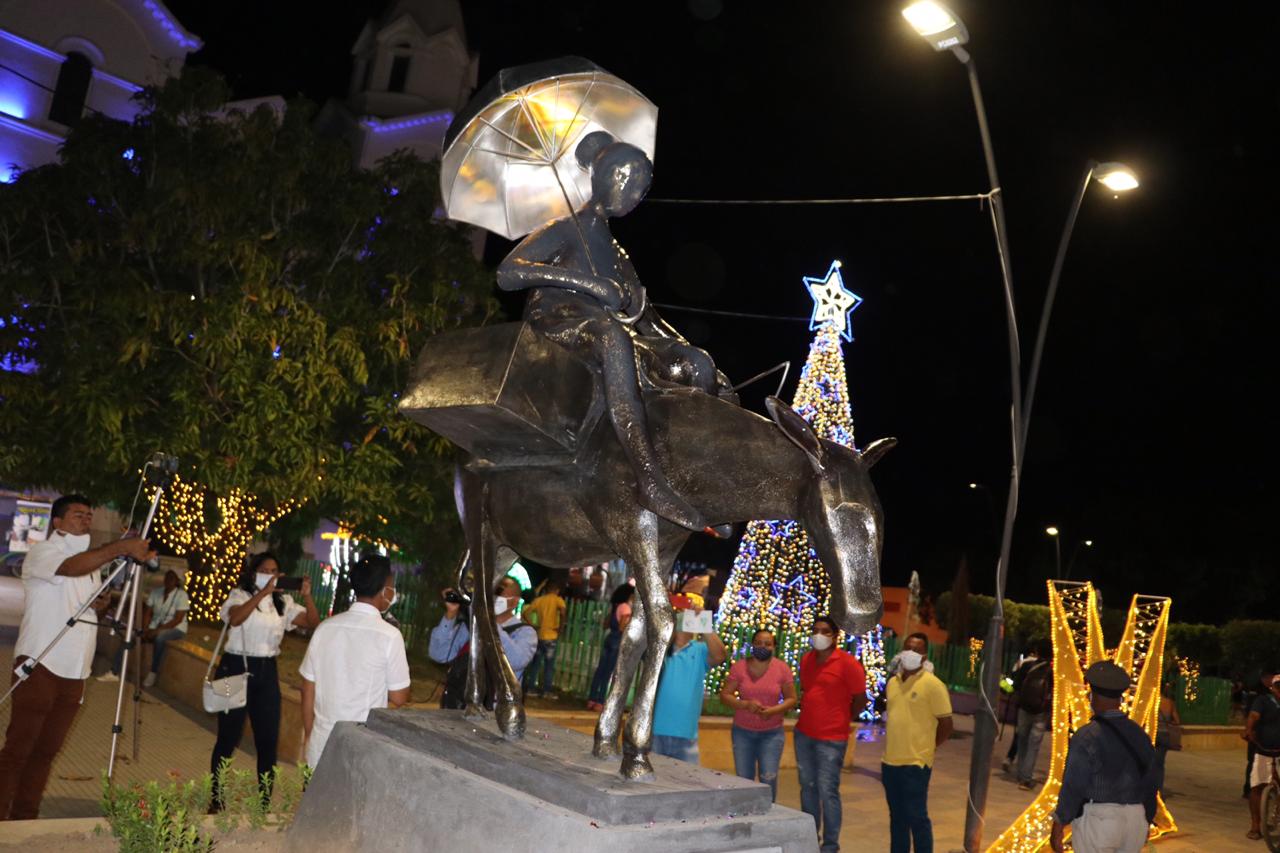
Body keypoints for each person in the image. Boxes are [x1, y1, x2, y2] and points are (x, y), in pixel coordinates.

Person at [496, 130, 734, 533]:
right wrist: (587, 284)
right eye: (632, 180)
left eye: (643, 187)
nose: (637, 193)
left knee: (694, 364)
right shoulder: (567, 227)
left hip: (609, 328)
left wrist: (687, 350)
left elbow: (649, 319)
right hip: (562, 322)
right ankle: (648, 478)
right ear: (607, 177)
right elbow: (508, 273)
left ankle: (697, 484)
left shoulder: (617, 251)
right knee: (613, 336)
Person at [0, 495, 153, 821]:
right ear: (57, 522)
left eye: (88, 514)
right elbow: (68, 570)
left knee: (46, 752)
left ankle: (24, 817)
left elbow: (85, 596)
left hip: (75, 670)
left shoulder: (91, 561)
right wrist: (120, 547)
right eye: (78, 514)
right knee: (18, 750)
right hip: (40, 662)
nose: (85, 519)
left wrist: (100, 603)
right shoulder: (44, 551)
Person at [209, 551, 320, 810]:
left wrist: (307, 595)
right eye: (265, 570)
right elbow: (235, 619)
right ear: (253, 572)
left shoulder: (284, 602)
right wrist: (262, 593)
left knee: (268, 739)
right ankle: (216, 797)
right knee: (228, 736)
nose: (270, 575)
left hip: (266, 670)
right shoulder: (240, 594)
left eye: (275, 571)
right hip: (233, 666)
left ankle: (264, 801)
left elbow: (312, 622)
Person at [299, 555, 410, 768]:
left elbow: (307, 688)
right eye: (392, 586)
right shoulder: (389, 636)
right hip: (361, 749)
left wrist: (309, 735)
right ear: (384, 590)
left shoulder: (325, 629)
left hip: (321, 742)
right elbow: (399, 697)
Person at [1050, 662, 1159, 853]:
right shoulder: (1139, 734)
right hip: (1135, 820)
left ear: (1093, 696)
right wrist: (1147, 817)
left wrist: (1060, 822)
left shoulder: (1086, 736)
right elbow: (1153, 779)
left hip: (1100, 821)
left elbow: (1074, 784)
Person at [795, 615, 868, 853]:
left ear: (835, 636)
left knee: (827, 791)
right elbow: (807, 690)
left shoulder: (848, 664)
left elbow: (860, 699)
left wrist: (842, 719)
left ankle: (830, 845)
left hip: (831, 739)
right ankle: (809, 839)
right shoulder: (806, 660)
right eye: (815, 630)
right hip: (804, 734)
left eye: (825, 631)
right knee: (808, 788)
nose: (819, 635)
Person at [882, 631, 953, 853]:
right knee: (897, 818)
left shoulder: (933, 685)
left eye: (917, 649)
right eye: (908, 648)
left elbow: (946, 724)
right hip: (890, 761)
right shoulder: (892, 683)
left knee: (917, 817)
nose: (911, 653)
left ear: (924, 656)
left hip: (916, 763)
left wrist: (927, 748)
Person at [719, 628, 797, 801]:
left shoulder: (782, 669)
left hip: (772, 734)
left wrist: (774, 710)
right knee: (743, 779)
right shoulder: (740, 667)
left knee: (768, 779)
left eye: (767, 644)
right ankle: (745, 816)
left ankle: (767, 817)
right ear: (752, 645)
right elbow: (725, 695)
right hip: (742, 733)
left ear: (774, 647)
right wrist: (744, 704)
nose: (763, 646)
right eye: (759, 643)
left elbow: (792, 699)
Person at [650, 605, 727, 763]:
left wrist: (705, 625)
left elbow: (720, 655)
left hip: (685, 733)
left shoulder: (699, 650)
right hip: (654, 730)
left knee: (685, 783)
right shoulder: (660, 649)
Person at [429, 577, 537, 684]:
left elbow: (516, 661)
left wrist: (487, 620)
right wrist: (450, 615)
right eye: (489, 592)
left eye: (499, 593)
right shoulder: (472, 626)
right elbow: (439, 655)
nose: (491, 598)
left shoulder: (525, 632)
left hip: (497, 700)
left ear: (514, 602)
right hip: (462, 697)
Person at [100, 568, 190, 687]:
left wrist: (157, 630)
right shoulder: (157, 592)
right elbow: (147, 612)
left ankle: (153, 673)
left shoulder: (182, 595)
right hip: (154, 626)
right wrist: (144, 628)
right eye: (167, 577)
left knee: (160, 638)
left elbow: (178, 619)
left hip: (176, 628)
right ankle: (114, 671)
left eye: (172, 578)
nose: (168, 581)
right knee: (130, 637)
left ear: (177, 581)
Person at [1010, 639, 1053, 790]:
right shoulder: (1053, 671)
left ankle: (1021, 773)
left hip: (1024, 708)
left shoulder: (1028, 665)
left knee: (1022, 740)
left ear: (1037, 651)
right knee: (1033, 745)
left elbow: (1015, 685)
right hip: (1041, 711)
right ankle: (1026, 778)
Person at [586, 583, 634, 711]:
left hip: (609, 638)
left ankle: (592, 699)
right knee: (608, 673)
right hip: (617, 640)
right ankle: (600, 702)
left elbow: (605, 624)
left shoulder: (615, 607)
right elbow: (622, 627)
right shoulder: (626, 608)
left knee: (600, 671)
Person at [1246, 673, 1280, 840]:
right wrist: (1249, 730)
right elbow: (1254, 716)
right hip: (1263, 751)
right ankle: (1255, 825)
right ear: (1272, 687)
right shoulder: (1263, 701)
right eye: (1278, 686)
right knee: (1257, 788)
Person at [523, 583, 568, 698]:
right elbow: (563, 612)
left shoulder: (539, 600)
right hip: (551, 636)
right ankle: (546, 690)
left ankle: (530, 688)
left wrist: (533, 625)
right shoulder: (558, 600)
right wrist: (561, 628)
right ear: (557, 590)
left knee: (536, 664)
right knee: (549, 665)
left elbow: (525, 613)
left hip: (540, 635)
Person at [1154, 682, 1181, 796]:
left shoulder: (1153, 702)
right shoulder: (1169, 703)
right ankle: (1158, 789)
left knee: (1150, 762)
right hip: (1165, 735)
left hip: (1153, 734)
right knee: (1160, 764)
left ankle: (1149, 786)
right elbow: (1177, 721)